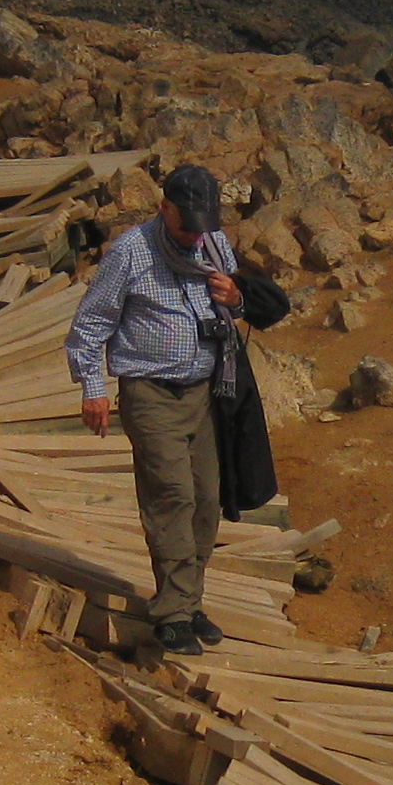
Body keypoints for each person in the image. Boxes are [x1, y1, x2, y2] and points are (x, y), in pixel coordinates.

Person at [66, 162, 254, 655]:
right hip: (150, 391)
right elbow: (90, 326)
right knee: (171, 495)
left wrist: (234, 298)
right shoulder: (131, 252)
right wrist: (93, 388)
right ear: (163, 208)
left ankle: (190, 604)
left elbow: (234, 308)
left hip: (204, 391)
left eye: (202, 226)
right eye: (184, 224)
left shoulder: (213, 245)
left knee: (206, 501)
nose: (194, 236)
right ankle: (170, 613)